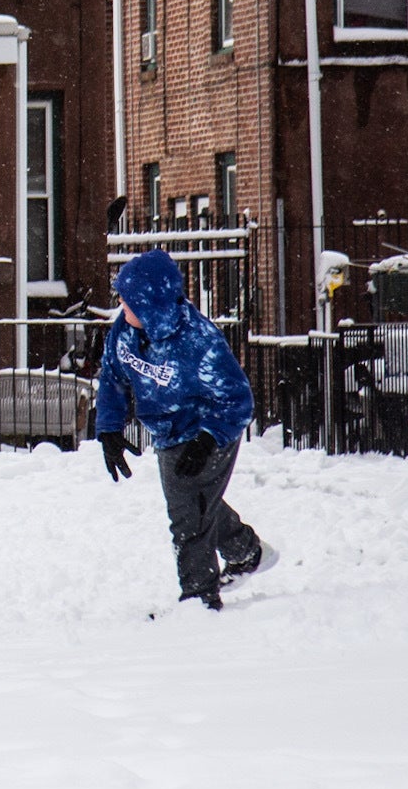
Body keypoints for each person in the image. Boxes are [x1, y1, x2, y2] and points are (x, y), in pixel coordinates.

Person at [96, 247, 275, 611]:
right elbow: (112, 375)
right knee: (193, 502)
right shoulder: (125, 331)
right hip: (167, 431)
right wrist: (109, 428)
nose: (120, 303)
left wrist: (207, 440)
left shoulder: (198, 342)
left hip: (210, 430)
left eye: (127, 298)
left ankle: (199, 598)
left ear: (149, 304)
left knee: (187, 515)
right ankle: (248, 551)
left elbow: (237, 400)